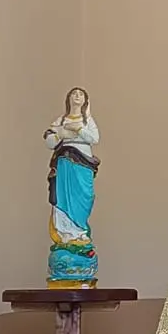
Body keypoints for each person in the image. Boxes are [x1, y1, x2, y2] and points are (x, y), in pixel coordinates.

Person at [45, 86, 99, 285]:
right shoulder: (60, 120)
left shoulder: (86, 121)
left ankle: (79, 234)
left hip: (83, 168)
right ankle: (66, 236)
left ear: (85, 101)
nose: (77, 97)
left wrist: (75, 130)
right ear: (68, 99)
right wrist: (63, 133)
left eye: (81, 94)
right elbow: (50, 141)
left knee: (84, 199)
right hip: (65, 165)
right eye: (74, 94)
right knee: (63, 200)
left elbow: (94, 138)